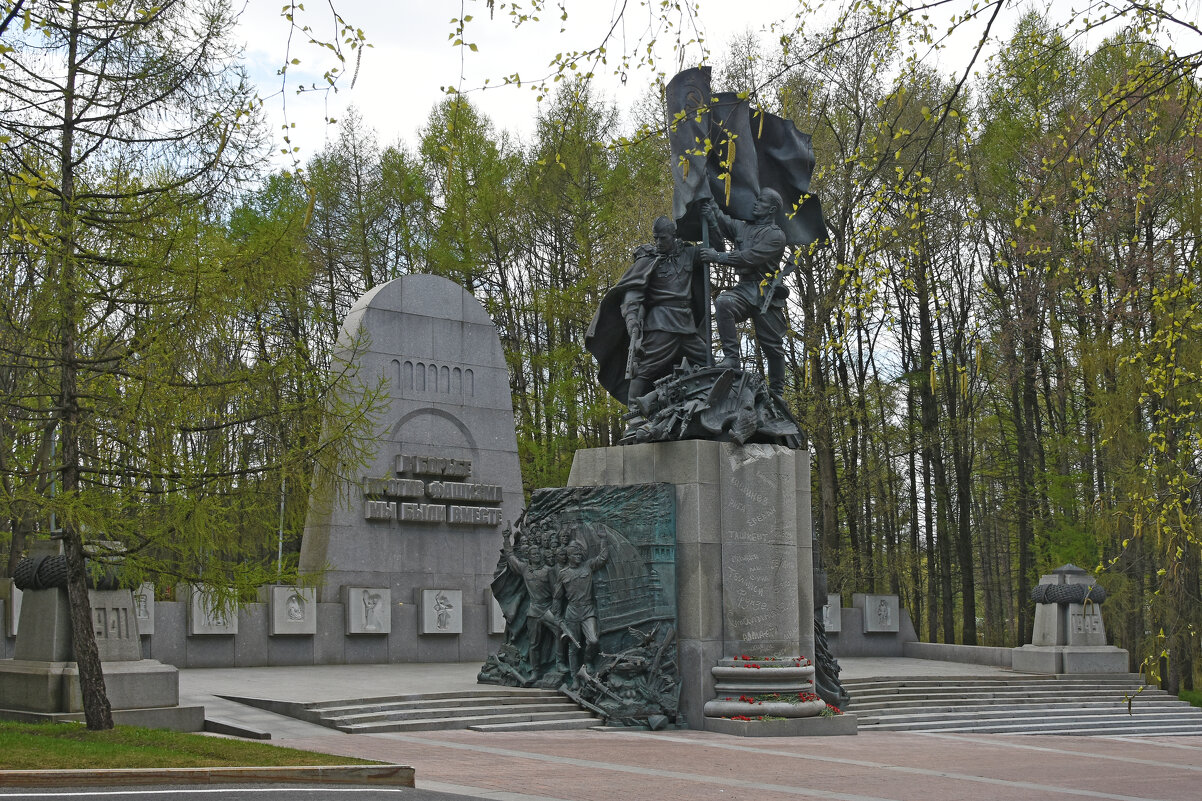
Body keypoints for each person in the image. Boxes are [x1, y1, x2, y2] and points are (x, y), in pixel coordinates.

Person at [585, 216, 710, 406]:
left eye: (663, 238)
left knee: (707, 363)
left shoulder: (688, 254)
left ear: (674, 236)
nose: (658, 243)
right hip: (661, 324)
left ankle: (707, 403)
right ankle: (634, 412)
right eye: (656, 238)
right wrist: (632, 321)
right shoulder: (648, 261)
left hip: (686, 324)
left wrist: (711, 217)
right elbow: (632, 297)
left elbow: (715, 247)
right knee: (644, 368)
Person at [699, 188, 789, 395]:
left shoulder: (776, 236)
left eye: (761, 201)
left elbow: (750, 257)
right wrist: (706, 198)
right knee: (723, 302)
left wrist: (717, 257)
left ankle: (777, 393)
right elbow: (722, 220)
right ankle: (732, 358)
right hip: (744, 289)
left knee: (772, 348)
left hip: (766, 293)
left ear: (772, 209)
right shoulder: (743, 227)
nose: (756, 203)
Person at [554, 533, 610, 684]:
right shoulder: (563, 574)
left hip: (588, 610)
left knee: (593, 640)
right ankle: (574, 679)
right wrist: (557, 617)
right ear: (569, 556)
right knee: (573, 647)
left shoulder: (588, 566)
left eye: (580, 554)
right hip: (572, 613)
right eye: (576, 554)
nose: (579, 556)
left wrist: (603, 540)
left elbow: (603, 558)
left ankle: (588, 662)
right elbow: (557, 597)